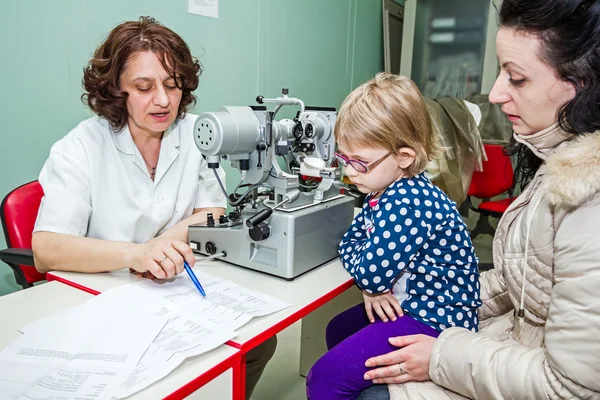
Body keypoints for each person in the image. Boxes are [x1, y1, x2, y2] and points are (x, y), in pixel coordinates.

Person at [356, 1, 600, 399]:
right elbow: (519, 282)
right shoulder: (559, 159)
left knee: (365, 386)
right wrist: (434, 302)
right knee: (351, 335)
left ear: (584, 82)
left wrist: (440, 354)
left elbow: (572, 386)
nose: (497, 93)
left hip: (533, 373)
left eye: (517, 78)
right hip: (513, 341)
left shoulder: (589, 202)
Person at [31, 16, 275, 399]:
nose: (163, 100)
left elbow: (213, 211)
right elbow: (46, 250)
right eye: (144, 87)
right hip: (102, 294)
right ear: (116, 91)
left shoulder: (197, 134)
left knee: (257, 343)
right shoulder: (81, 146)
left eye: (173, 84)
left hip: (170, 291)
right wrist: (138, 254)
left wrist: (166, 244)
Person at [305, 73, 482, 400]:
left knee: (324, 378)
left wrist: (369, 275)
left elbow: (371, 274)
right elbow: (353, 239)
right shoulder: (384, 188)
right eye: (344, 158)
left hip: (435, 318)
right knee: (337, 329)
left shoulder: (407, 202)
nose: (349, 172)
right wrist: (367, 268)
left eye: (360, 162)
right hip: (415, 302)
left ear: (404, 156)